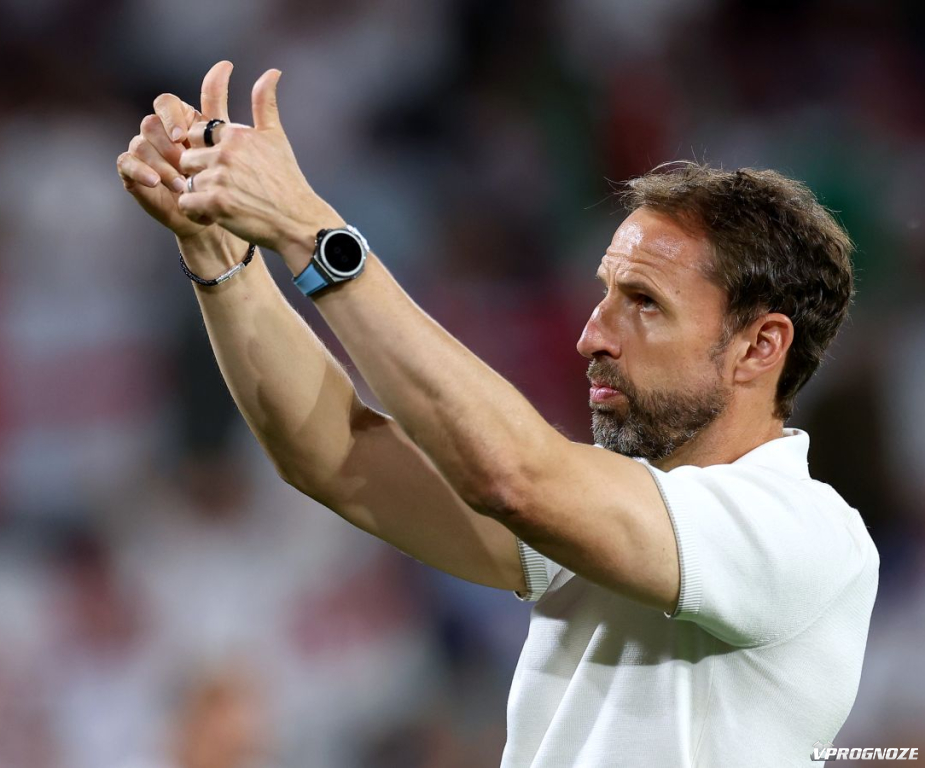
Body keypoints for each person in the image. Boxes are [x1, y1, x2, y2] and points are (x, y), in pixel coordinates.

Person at [116, 61, 879, 767]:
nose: (592, 335)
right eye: (606, 293)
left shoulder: (802, 533)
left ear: (759, 347)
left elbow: (513, 477)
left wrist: (308, 230)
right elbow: (336, 453)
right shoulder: (610, 514)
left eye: (644, 303)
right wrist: (218, 252)